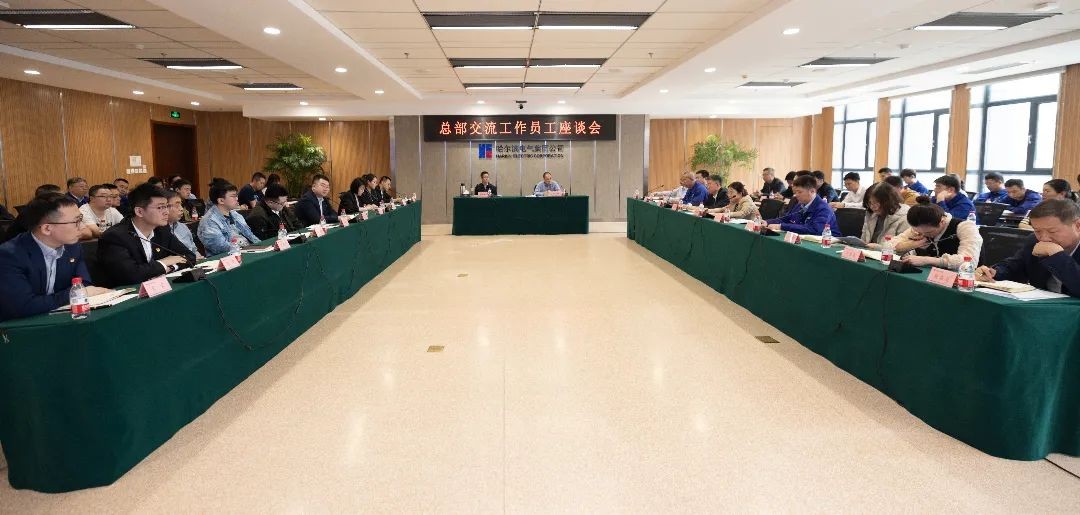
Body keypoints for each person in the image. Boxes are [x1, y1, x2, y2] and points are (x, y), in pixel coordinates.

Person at [0, 193, 112, 321]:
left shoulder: (73, 247)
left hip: (60, 318)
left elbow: (83, 285)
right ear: (47, 228)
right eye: (76, 221)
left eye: (81, 219)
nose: (82, 227)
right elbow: (22, 306)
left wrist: (80, 292)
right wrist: (71, 295)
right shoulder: (9, 255)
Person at [97, 184, 195, 287]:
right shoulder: (115, 237)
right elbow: (131, 275)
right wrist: (163, 263)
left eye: (166, 206)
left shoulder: (161, 230)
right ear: (139, 211)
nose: (166, 212)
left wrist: (170, 267)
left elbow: (189, 256)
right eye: (160, 207)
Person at [976, 200, 1080, 296]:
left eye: (1052, 231)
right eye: (1037, 231)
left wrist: (1057, 256)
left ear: (1078, 226)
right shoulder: (1034, 240)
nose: (1044, 238)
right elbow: (1015, 266)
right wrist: (994, 272)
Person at [891, 196, 981, 269]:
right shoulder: (920, 227)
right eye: (917, 231)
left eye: (928, 232)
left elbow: (969, 262)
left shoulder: (965, 227)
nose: (922, 235)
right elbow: (888, 245)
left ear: (942, 221)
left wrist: (927, 260)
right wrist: (912, 244)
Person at [197, 181, 261, 256]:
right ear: (221, 200)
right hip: (227, 258)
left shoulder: (235, 214)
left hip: (247, 251)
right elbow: (221, 247)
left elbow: (251, 236)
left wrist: (261, 246)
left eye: (236, 195)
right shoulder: (209, 221)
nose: (237, 198)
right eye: (233, 196)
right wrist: (245, 249)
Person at [765, 175, 840, 235]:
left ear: (812, 191)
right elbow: (788, 218)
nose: (796, 195)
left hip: (828, 244)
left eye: (799, 192)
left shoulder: (824, 208)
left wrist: (781, 226)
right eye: (795, 192)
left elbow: (815, 229)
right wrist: (767, 222)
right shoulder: (801, 204)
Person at [859, 184, 910, 249]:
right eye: (869, 203)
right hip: (869, 252)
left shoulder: (904, 217)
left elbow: (904, 248)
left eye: (876, 203)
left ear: (889, 201)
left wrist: (878, 248)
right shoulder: (871, 214)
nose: (872, 207)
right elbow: (864, 239)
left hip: (889, 254)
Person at [164, 190, 201, 259]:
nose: (181, 209)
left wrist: (198, 257)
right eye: (177, 205)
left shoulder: (183, 227)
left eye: (181, 204)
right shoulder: (156, 232)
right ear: (165, 207)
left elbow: (194, 250)